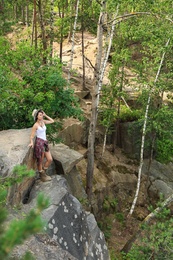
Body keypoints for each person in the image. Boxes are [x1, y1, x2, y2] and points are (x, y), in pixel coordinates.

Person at [28, 109, 54, 182]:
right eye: (40, 115)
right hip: (40, 143)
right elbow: (32, 136)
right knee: (40, 160)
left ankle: (44, 173)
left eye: (42, 114)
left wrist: (45, 115)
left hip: (45, 142)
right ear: (37, 116)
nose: (42, 116)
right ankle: (42, 176)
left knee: (49, 159)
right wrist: (31, 142)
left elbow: (52, 121)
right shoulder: (35, 125)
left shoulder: (43, 122)